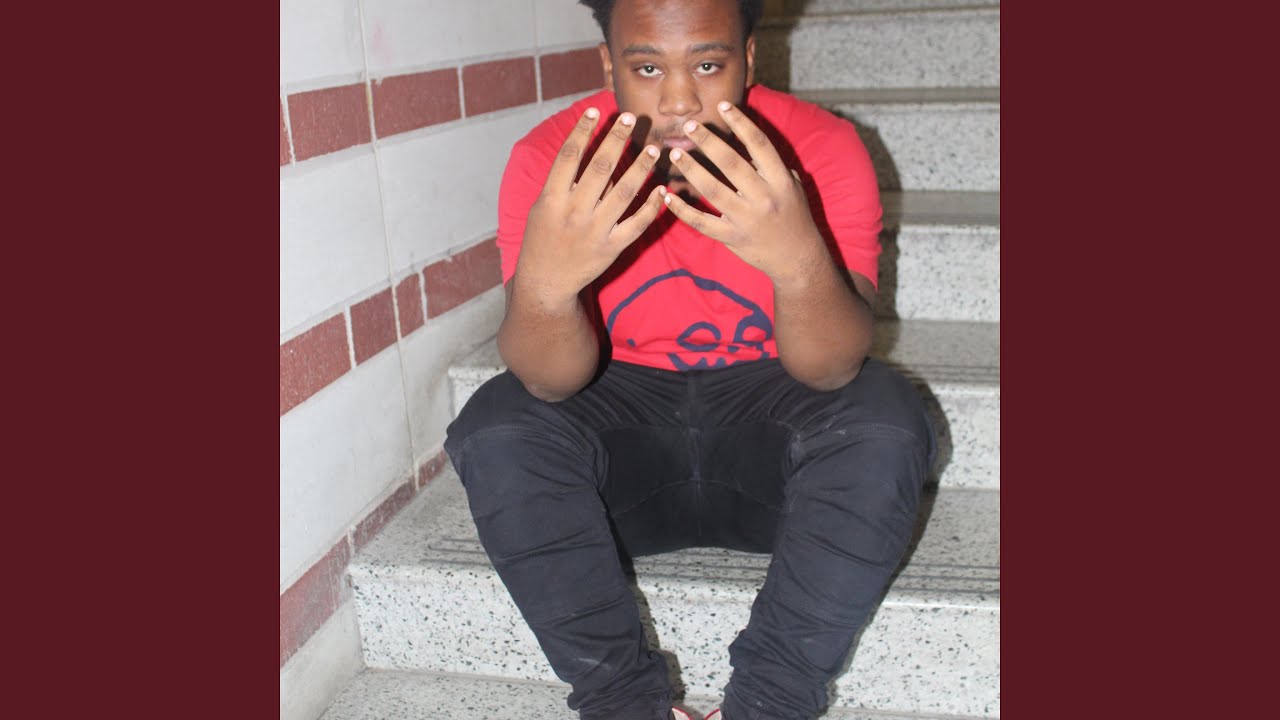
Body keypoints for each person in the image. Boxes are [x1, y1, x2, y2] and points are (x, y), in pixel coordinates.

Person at [443, 1, 936, 718]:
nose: (679, 100)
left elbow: (830, 370)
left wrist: (798, 261)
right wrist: (548, 290)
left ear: (749, 58)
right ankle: (625, 706)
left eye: (707, 64)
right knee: (496, 424)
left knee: (885, 418)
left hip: (776, 451)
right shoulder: (554, 158)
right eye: (647, 68)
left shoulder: (819, 148)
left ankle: (769, 705)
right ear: (609, 63)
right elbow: (549, 381)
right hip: (617, 464)